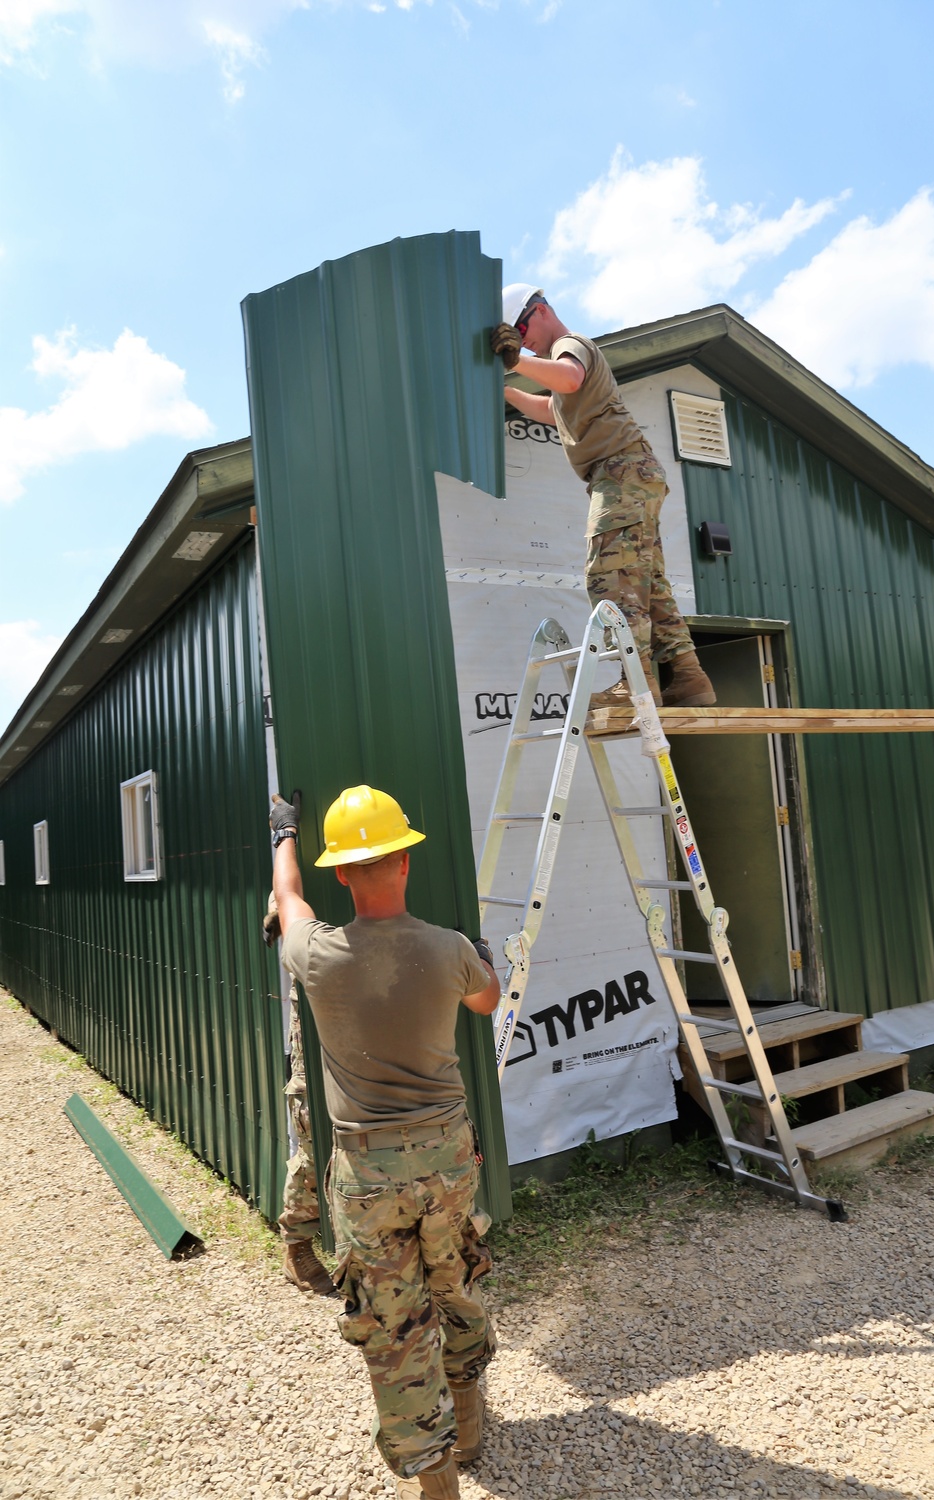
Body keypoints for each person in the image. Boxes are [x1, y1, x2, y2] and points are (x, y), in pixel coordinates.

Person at [268, 783, 500, 1500]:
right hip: (448, 1159)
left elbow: (287, 898)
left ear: (342, 871)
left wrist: (284, 831)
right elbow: (488, 998)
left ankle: (435, 1478)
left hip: (368, 1176)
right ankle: (466, 1421)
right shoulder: (450, 949)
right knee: (454, 1281)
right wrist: (480, 962)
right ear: (405, 860)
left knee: (394, 1323)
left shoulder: (317, 954)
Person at [491, 284, 716, 710]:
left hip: (621, 472)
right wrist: (505, 389)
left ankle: (637, 687)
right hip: (631, 472)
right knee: (646, 583)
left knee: (609, 577)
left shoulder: (570, 346)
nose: (524, 341)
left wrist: (516, 360)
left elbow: (569, 377)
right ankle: (689, 678)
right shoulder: (560, 366)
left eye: (522, 329)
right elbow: (551, 408)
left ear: (540, 311)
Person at [263, 889, 335, 1296]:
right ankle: (298, 1246)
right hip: (314, 1008)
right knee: (312, 1129)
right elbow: (283, 903)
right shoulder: (302, 853)